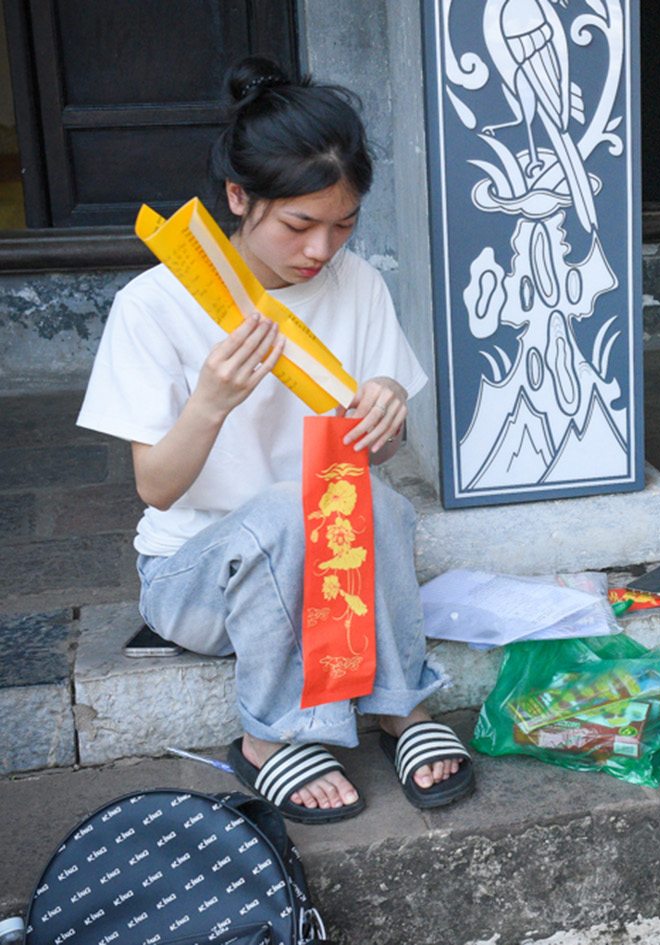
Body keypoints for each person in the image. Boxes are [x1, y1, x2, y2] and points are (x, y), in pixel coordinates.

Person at [76, 57, 474, 824]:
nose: (321, 249)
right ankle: (270, 734)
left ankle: (399, 709)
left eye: (343, 223)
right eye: (298, 224)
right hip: (198, 583)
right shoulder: (153, 304)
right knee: (294, 508)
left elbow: (372, 452)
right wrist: (212, 402)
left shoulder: (358, 285)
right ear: (238, 197)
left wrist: (386, 408)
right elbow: (157, 487)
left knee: (377, 502)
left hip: (329, 574)